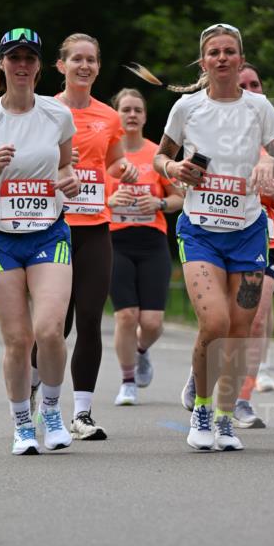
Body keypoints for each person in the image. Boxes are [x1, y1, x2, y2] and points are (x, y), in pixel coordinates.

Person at [133, 23, 274, 450]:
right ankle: (201, 409)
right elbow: (159, 157)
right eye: (214, 52)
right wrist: (174, 170)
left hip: (248, 232)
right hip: (200, 230)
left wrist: (270, 169)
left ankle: (224, 418)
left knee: (240, 329)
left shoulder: (259, 107)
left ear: (240, 59)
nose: (222, 58)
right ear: (203, 62)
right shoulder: (187, 108)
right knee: (216, 322)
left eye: (229, 51)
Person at [0, 28, 80, 455]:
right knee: (18, 339)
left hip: (49, 234)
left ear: (39, 66)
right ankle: (21, 424)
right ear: (2, 65)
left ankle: (50, 410)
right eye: (14, 58)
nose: (23, 66)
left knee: (50, 330)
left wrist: (67, 182)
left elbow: (67, 168)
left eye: (30, 58)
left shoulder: (56, 116)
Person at [36, 32, 138, 440]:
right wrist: (55, 160)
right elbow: (22, 164)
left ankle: (81, 414)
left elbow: (113, 160)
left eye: (91, 60)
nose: (84, 66)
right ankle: (33, 398)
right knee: (53, 325)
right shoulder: (43, 110)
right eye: (76, 59)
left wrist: (124, 170)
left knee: (92, 320)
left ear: (98, 66)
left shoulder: (108, 116)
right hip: (50, 227)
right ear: (60, 66)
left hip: (95, 226)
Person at [179, 63, 274, 427]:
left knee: (253, 321)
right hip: (211, 234)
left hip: (261, 237)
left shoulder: (270, 129)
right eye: (244, 83)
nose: (250, 88)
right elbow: (185, 175)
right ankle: (202, 380)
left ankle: (239, 402)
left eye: (255, 82)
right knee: (218, 321)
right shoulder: (209, 124)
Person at [107, 88, 184, 406]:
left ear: (146, 116)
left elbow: (181, 198)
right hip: (115, 241)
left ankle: (140, 352)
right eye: (125, 109)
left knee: (151, 322)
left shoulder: (157, 156)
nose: (132, 115)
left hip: (152, 242)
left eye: (138, 110)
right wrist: (109, 201)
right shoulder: (105, 155)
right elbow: (84, 197)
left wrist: (160, 201)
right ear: (117, 115)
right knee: (126, 316)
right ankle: (127, 382)